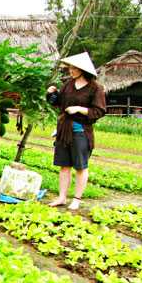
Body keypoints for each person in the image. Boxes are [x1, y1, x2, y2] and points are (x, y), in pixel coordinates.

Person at [46, 52, 106, 210]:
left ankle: (77, 199)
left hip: (81, 132)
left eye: (73, 68)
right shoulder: (68, 85)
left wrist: (80, 109)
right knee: (64, 165)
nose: (70, 70)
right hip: (64, 130)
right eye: (70, 67)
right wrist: (52, 94)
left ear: (82, 69)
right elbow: (59, 103)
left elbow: (99, 111)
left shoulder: (95, 88)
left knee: (80, 166)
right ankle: (62, 197)